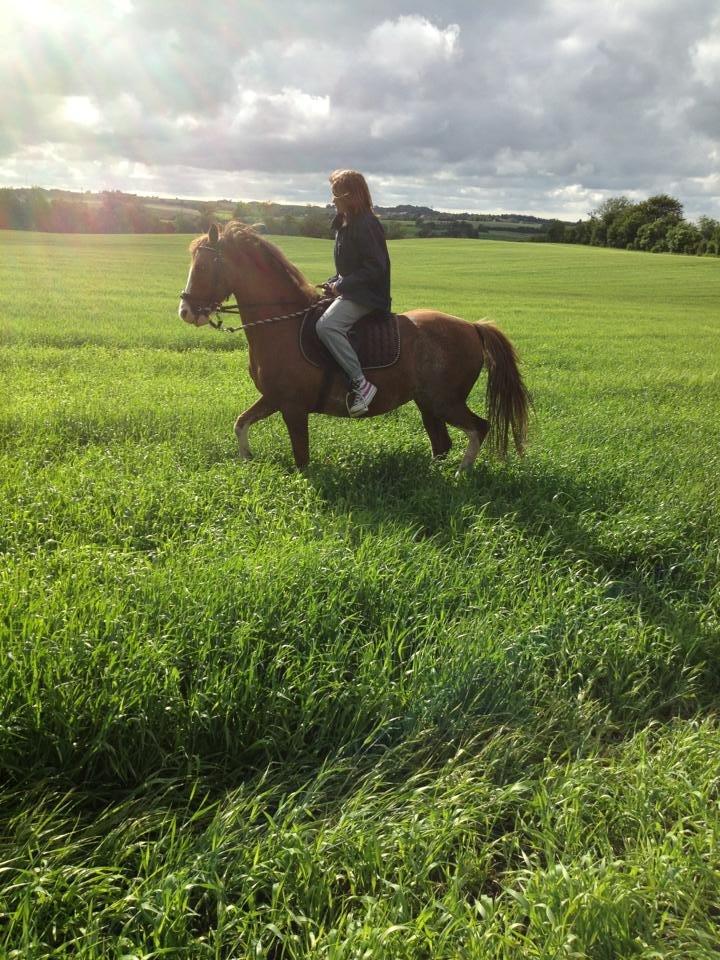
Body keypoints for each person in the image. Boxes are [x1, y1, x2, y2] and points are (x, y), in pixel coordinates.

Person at [317, 169, 391, 416]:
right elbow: (348, 268)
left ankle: (362, 384)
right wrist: (332, 282)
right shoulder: (344, 224)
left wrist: (344, 285)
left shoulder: (367, 224)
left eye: (335, 194)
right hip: (352, 291)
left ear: (350, 195)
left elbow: (376, 268)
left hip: (368, 296)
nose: (332, 200)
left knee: (327, 326)